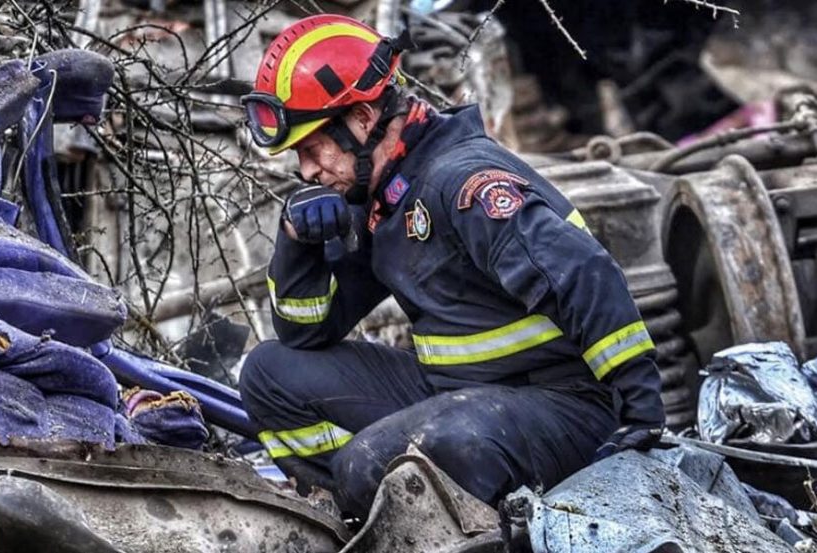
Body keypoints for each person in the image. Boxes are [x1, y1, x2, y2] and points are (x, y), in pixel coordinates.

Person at [238, 13, 665, 518]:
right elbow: (305, 334)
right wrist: (298, 243)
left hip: (563, 405)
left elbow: (584, 272)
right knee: (268, 373)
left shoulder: (461, 182)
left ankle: (450, 524)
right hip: (456, 393)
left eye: (312, 148)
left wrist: (640, 411)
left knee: (372, 464)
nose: (307, 169)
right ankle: (360, 515)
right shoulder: (385, 196)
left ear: (361, 119)